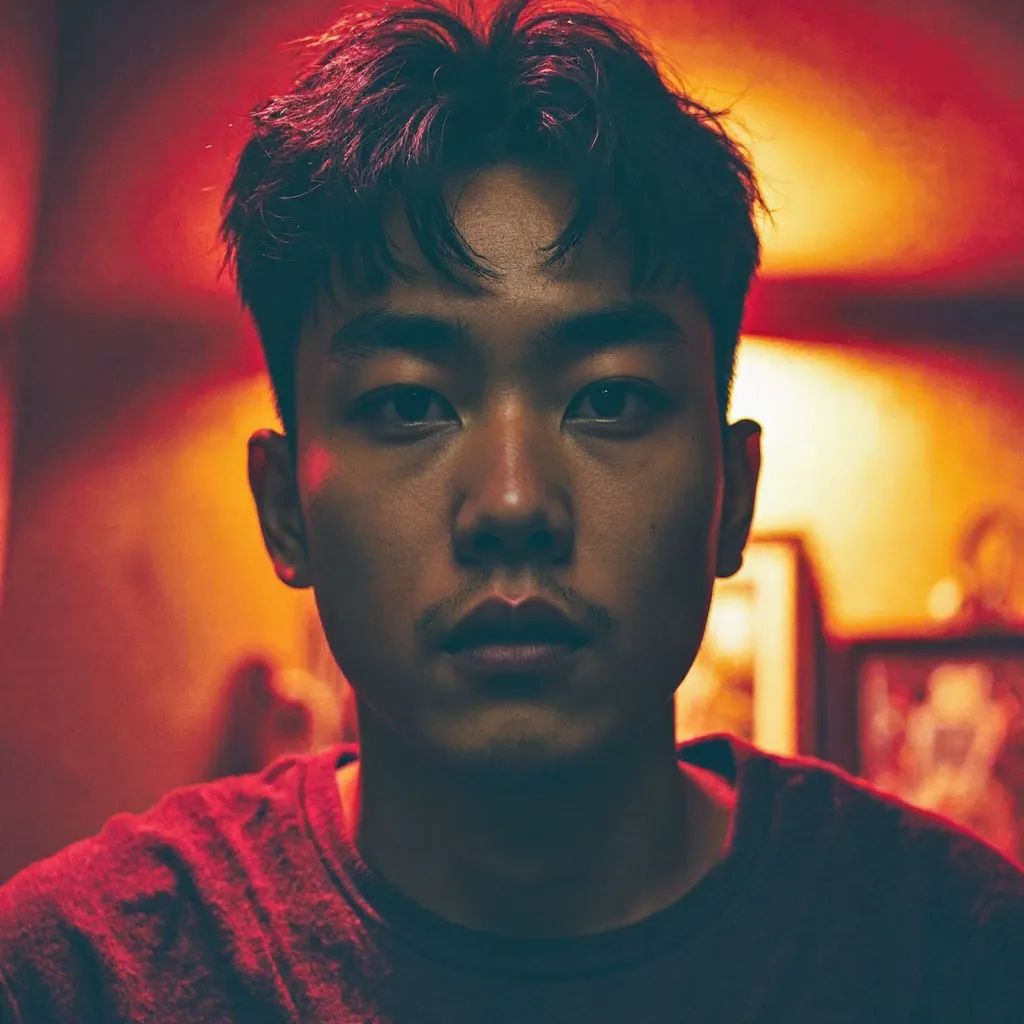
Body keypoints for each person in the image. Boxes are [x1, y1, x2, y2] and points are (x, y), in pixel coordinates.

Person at [1, 0, 1022, 1020]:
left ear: (732, 493)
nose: (513, 501)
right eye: (407, 402)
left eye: (609, 398)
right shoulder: (74, 978)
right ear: (283, 510)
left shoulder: (960, 959)